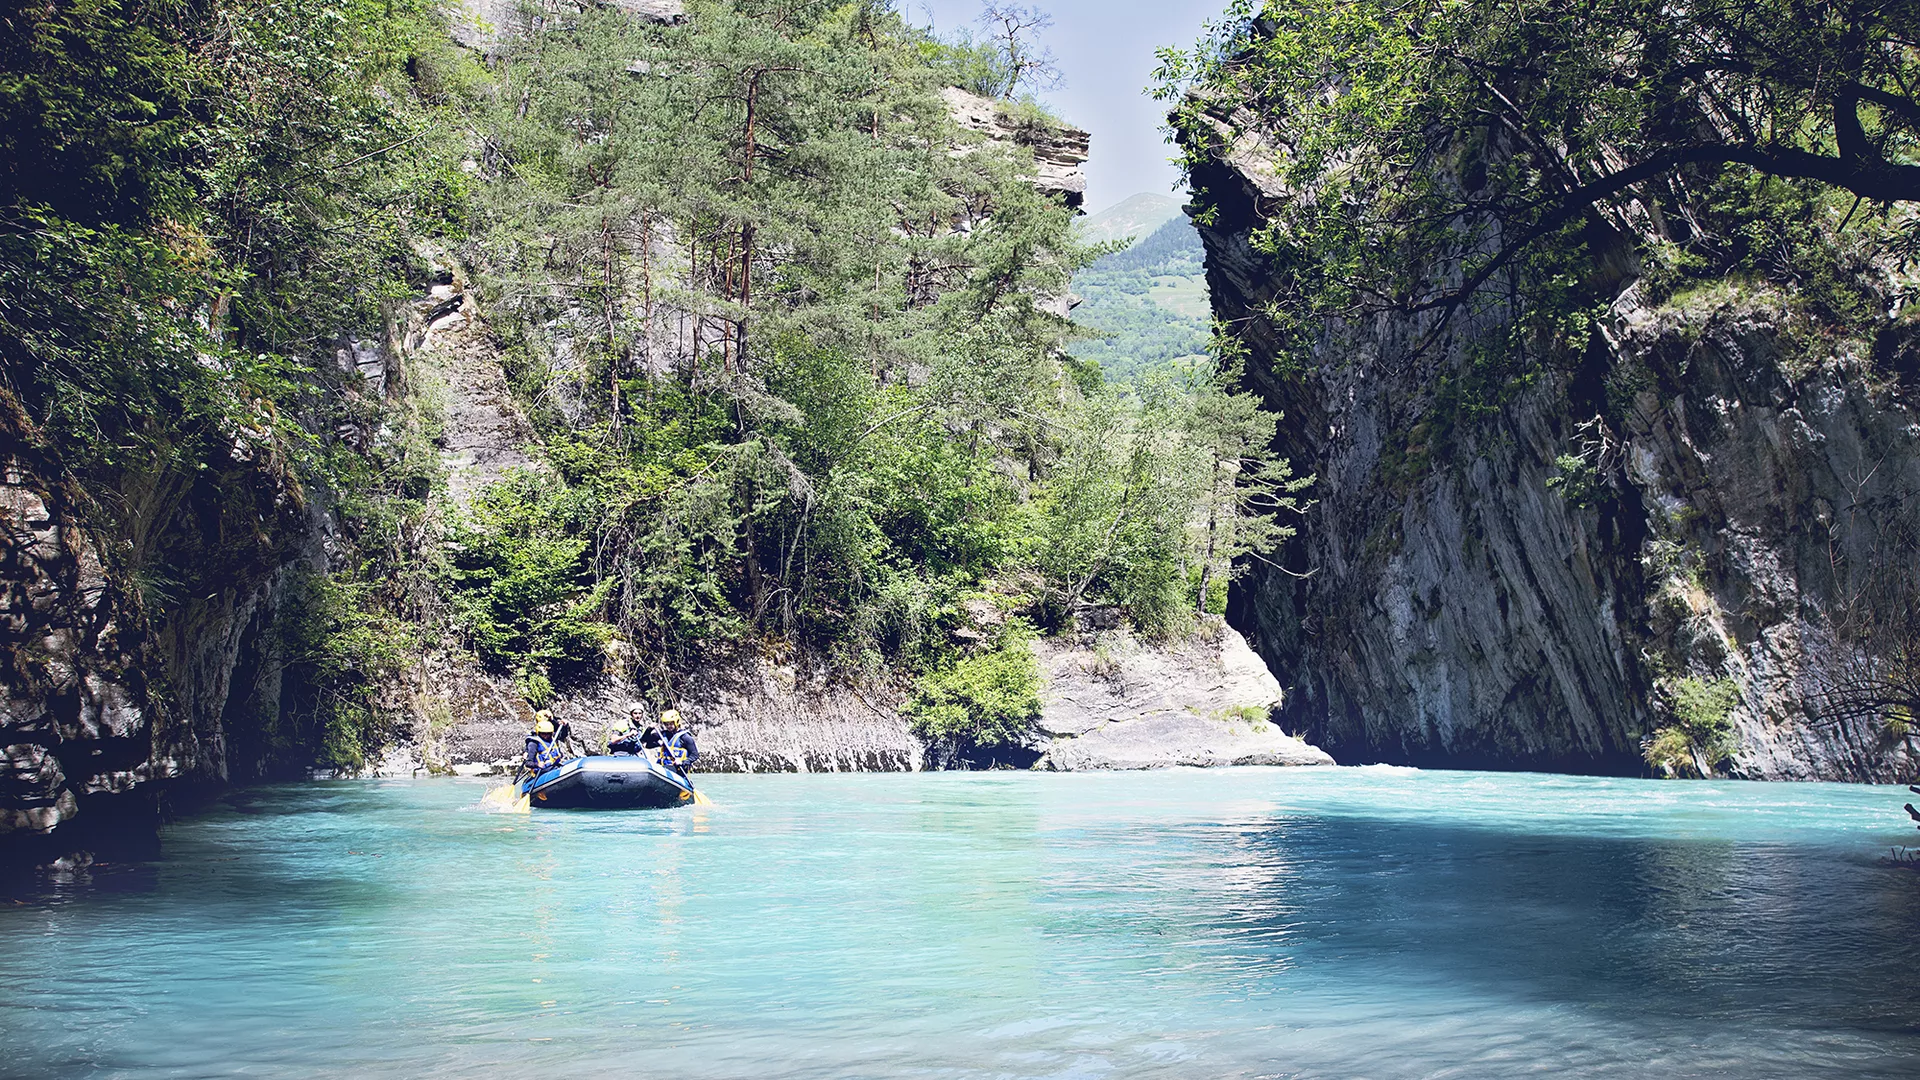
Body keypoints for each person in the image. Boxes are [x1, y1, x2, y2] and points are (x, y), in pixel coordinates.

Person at [659, 708, 698, 773]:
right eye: (666, 724)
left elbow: (695, 755)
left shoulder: (685, 737)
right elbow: (646, 743)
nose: (668, 726)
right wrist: (649, 729)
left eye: (671, 724)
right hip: (665, 767)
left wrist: (683, 762)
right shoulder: (663, 735)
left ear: (676, 722)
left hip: (679, 770)